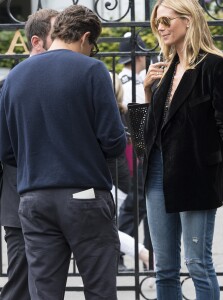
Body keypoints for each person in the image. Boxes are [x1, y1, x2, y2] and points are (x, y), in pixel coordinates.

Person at [0, 5, 126, 300]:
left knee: (44, 292)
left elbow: (6, 149)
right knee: (99, 289)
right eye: (92, 46)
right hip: (85, 195)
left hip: (33, 199)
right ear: (85, 38)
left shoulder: (15, 77)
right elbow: (113, 142)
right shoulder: (93, 70)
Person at [142, 0, 223, 299]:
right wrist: (147, 92)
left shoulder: (214, 65)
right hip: (158, 173)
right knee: (164, 268)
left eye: (166, 20)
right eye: (156, 23)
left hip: (197, 173)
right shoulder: (163, 69)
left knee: (197, 263)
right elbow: (145, 135)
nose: (160, 27)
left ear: (188, 21)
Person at [0, 8, 58, 300]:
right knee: (21, 284)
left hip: (64, 202)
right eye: (57, 33)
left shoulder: (71, 78)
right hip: (19, 198)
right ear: (37, 42)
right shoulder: (10, 85)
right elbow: (6, 149)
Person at [118, 32, 152, 271]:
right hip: (140, 151)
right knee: (139, 204)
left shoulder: (117, 78)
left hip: (125, 152)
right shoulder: (139, 84)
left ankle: (146, 257)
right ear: (139, 55)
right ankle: (151, 258)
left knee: (136, 205)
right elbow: (143, 118)